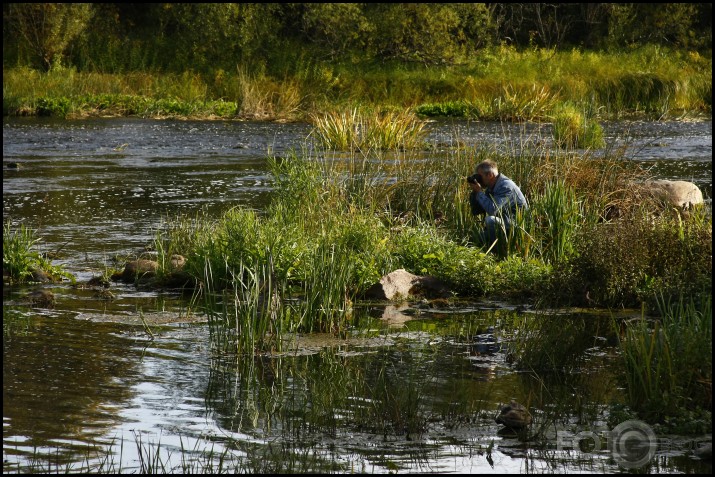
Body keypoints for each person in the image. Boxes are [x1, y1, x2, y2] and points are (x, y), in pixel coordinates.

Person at [467, 159, 528, 250]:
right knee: (474, 239)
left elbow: (493, 210)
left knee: (490, 220)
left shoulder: (506, 186)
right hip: (504, 223)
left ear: (490, 175)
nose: (478, 179)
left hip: (517, 226)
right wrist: (475, 193)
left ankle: (498, 251)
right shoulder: (492, 187)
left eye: (480, 176)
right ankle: (489, 251)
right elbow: (476, 211)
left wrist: (480, 192)